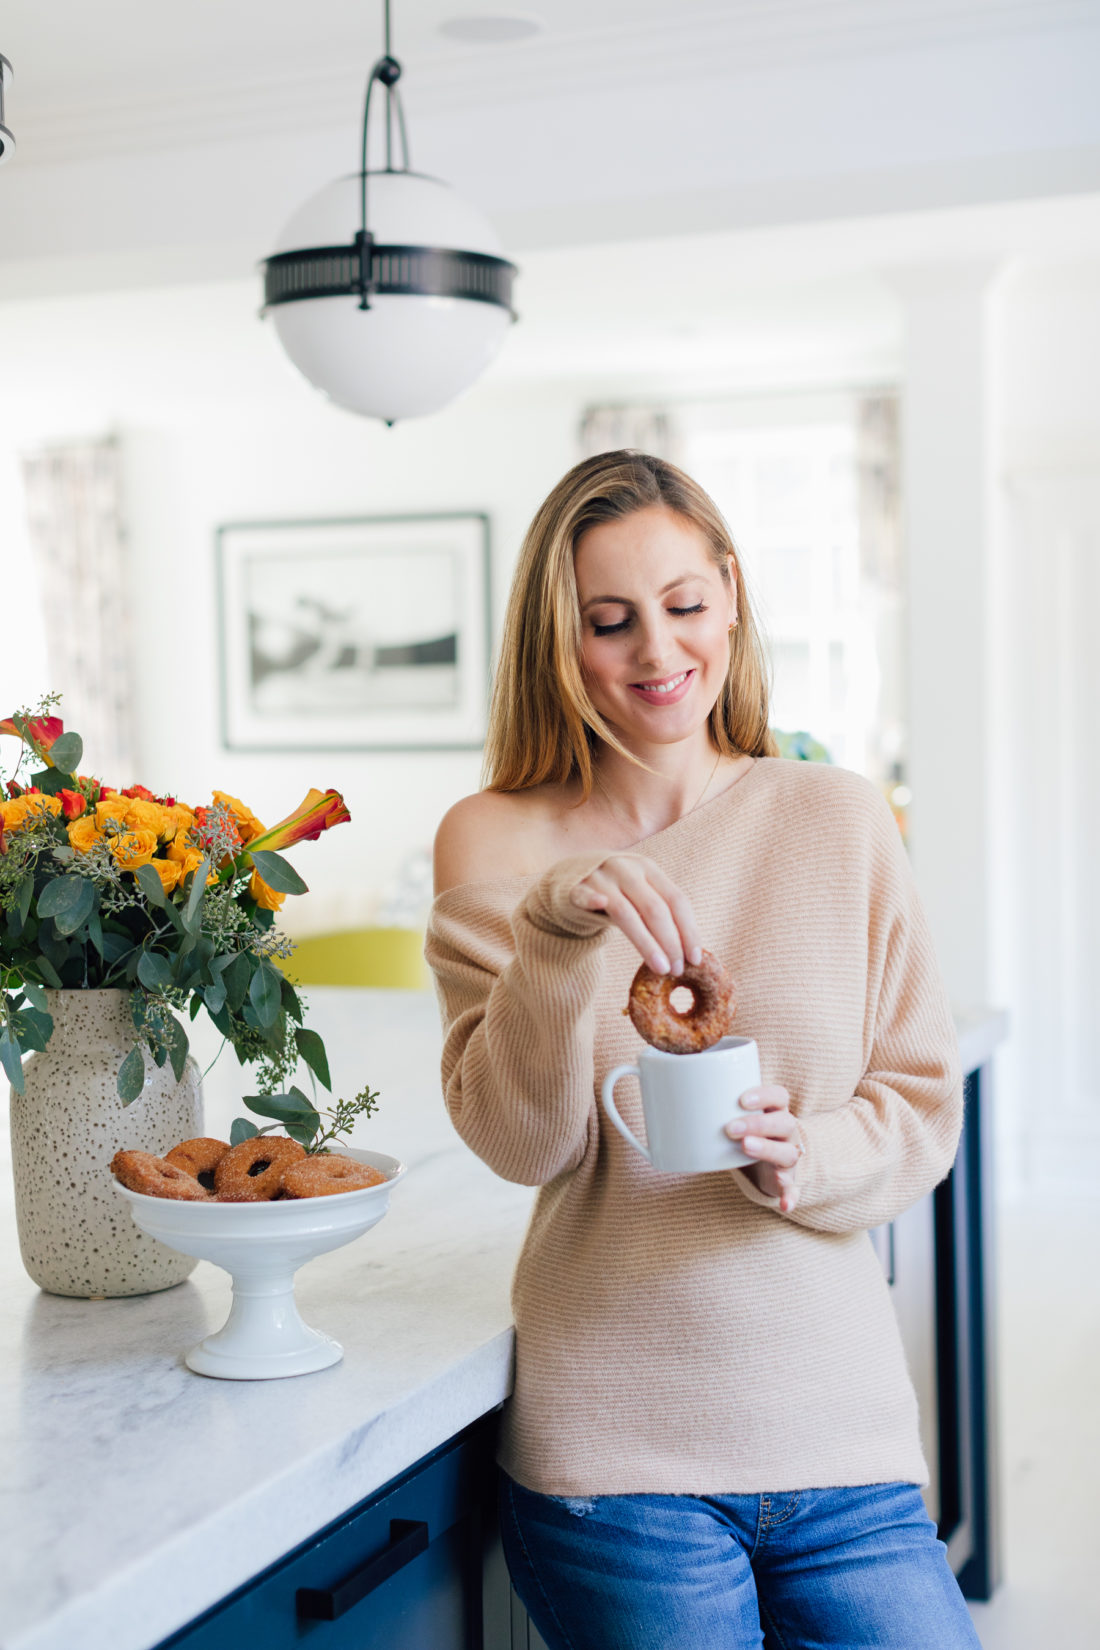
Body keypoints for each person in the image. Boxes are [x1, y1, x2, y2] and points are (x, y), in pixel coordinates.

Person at [425, 450, 980, 1650]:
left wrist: (811, 1158)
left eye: (682, 606)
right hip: (613, 1458)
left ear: (728, 591)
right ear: (555, 639)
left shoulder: (831, 816)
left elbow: (919, 1098)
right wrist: (554, 938)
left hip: (842, 1436)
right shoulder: (492, 840)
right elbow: (523, 1146)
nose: (656, 653)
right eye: (609, 623)